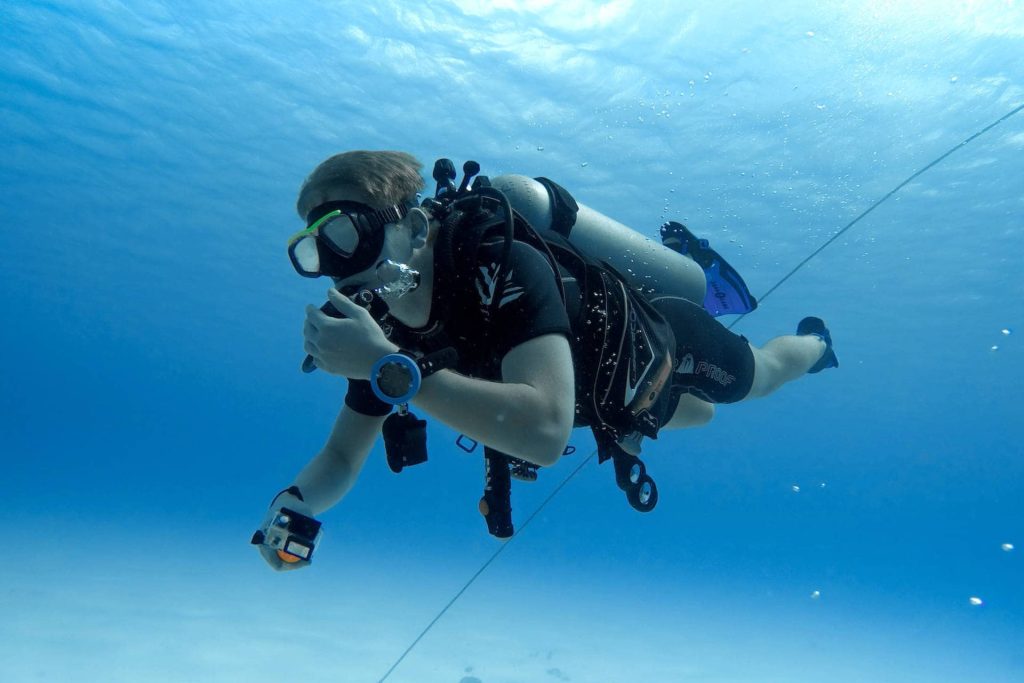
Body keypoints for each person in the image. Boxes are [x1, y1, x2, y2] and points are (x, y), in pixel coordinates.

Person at [254, 150, 837, 570]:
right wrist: (292, 510)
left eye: (345, 235)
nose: (335, 265)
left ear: (408, 224)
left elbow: (543, 434)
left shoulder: (498, 258)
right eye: (312, 251)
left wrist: (389, 368)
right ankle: (684, 313)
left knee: (758, 378)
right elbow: (340, 454)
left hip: (660, 343)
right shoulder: (378, 327)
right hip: (607, 400)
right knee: (693, 418)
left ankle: (815, 345)